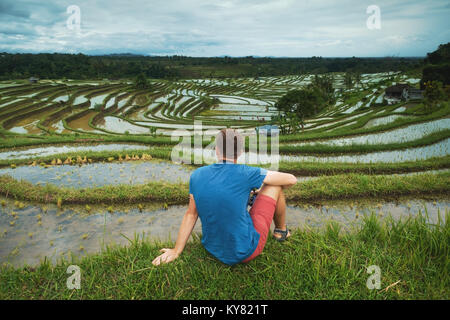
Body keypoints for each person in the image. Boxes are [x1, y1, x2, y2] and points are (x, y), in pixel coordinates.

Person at [152, 128, 297, 266]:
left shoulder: (197, 175)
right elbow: (291, 179)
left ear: (216, 150)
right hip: (246, 251)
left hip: (212, 249)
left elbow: (191, 214)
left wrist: (176, 250)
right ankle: (281, 231)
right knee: (275, 185)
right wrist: (262, 185)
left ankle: (274, 225)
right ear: (240, 152)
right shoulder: (247, 172)